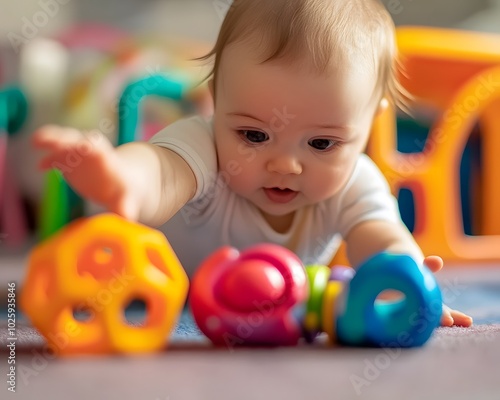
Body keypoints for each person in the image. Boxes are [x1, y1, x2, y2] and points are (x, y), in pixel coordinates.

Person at [33, 0, 472, 327]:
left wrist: (405, 281)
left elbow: (378, 235)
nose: (285, 165)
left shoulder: (355, 182)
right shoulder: (204, 144)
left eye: (321, 143)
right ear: (216, 100)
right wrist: (121, 179)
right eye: (254, 136)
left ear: (368, 124)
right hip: (127, 266)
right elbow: (161, 172)